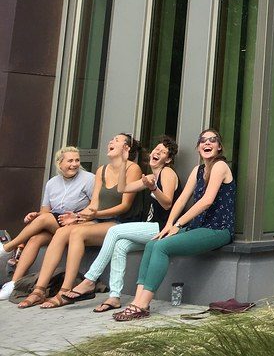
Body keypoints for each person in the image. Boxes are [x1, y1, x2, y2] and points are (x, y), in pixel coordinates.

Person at [113, 129, 235, 321]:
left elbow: (206, 201)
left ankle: (142, 305)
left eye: (213, 140)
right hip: (197, 227)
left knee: (162, 247)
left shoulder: (220, 166)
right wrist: (169, 226)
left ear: (219, 147)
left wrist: (179, 223)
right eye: (203, 140)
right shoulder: (198, 170)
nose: (207, 143)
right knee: (153, 243)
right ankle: (137, 301)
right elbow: (181, 200)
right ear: (198, 147)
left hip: (218, 229)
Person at [17, 134, 144, 309]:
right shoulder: (102, 170)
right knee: (62, 231)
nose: (111, 141)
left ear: (126, 148)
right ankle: (39, 290)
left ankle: (65, 290)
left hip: (119, 222)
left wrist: (91, 215)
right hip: (99, 220)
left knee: (77, 232)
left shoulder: (132, 168)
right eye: (111, 138)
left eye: (116, 139)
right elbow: (94, 204)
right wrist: (77, 217)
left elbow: (124, 206)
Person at [64, 136, 182, 313]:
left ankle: (90, 279)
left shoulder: (167, 173)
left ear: (169, 159)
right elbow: (122, 189)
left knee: (114, 231)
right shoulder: (150, 176)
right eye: (156, 149)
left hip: (162, 227)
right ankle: (114, 296)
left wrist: (153, 188)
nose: (157, 152)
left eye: (163, 152)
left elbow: (167, 203)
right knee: (120, 246)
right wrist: (125, 163)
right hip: (150, 229)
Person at [0, 147, 95, 301]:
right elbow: (45, 212)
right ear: (59, 163)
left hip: (78, 224)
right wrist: (36, 216)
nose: (75, 164)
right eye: (70, 160)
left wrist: (77, 217)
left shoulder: (89, 179)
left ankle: (7, 247)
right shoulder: (52, 183)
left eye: (77, 160)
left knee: (45, 220)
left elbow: (95, 207)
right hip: (55, 225)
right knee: (34, 239)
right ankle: (13, 284)